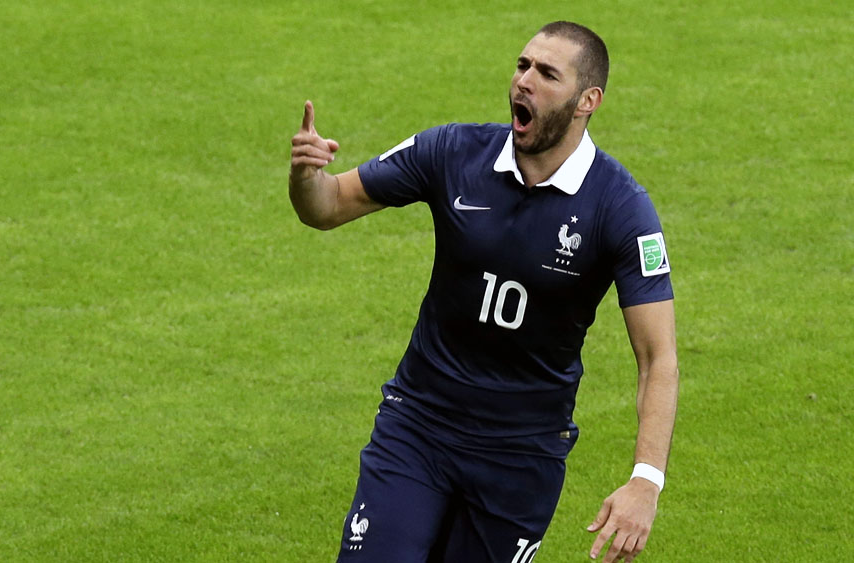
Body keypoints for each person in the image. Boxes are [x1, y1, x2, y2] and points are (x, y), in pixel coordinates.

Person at [288, 21, 678, 563]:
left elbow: (657, 357)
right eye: (522, 66)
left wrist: (646, 480)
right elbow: (327, 207)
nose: (525, 83)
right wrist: (306, 176)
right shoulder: (452, 152)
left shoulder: (620, 208)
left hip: (520, 458)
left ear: (588, 100)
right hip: (419, 425)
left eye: (547, 74)